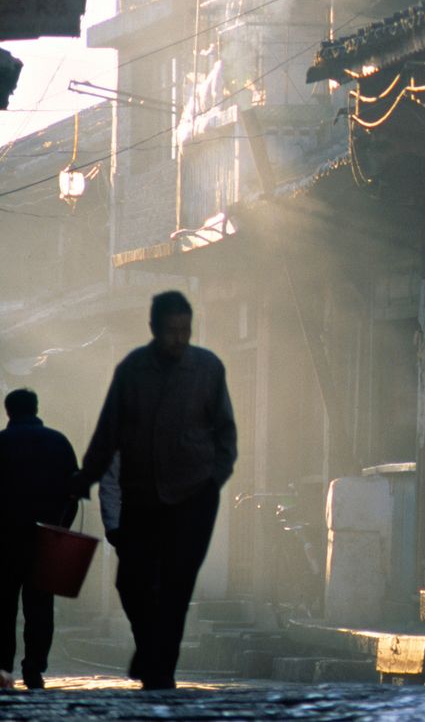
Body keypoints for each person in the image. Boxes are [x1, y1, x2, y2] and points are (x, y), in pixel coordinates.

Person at [73, 291, 237, 691]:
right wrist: (86, 476)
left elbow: (225, 431)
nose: (179, 339)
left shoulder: (207, 369)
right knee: (131, 580)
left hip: (194, 494)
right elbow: (108, 430)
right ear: (154, 329)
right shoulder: (132, 370)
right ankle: (150, 649)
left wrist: (215, 477)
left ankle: (160, 669)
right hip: (143, 494)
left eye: (185, 331)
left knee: (178, 583)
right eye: (171, 331)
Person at [0, 387, 79, 692]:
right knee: (40, 609)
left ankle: (3, 669)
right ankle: (34, 668)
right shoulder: (58, 442)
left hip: (4, 541)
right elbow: (74, 493)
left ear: (9, 411)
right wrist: (60, 529)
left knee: (4, 608)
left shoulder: (2, 443)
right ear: (36, 407)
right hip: (45, 539)